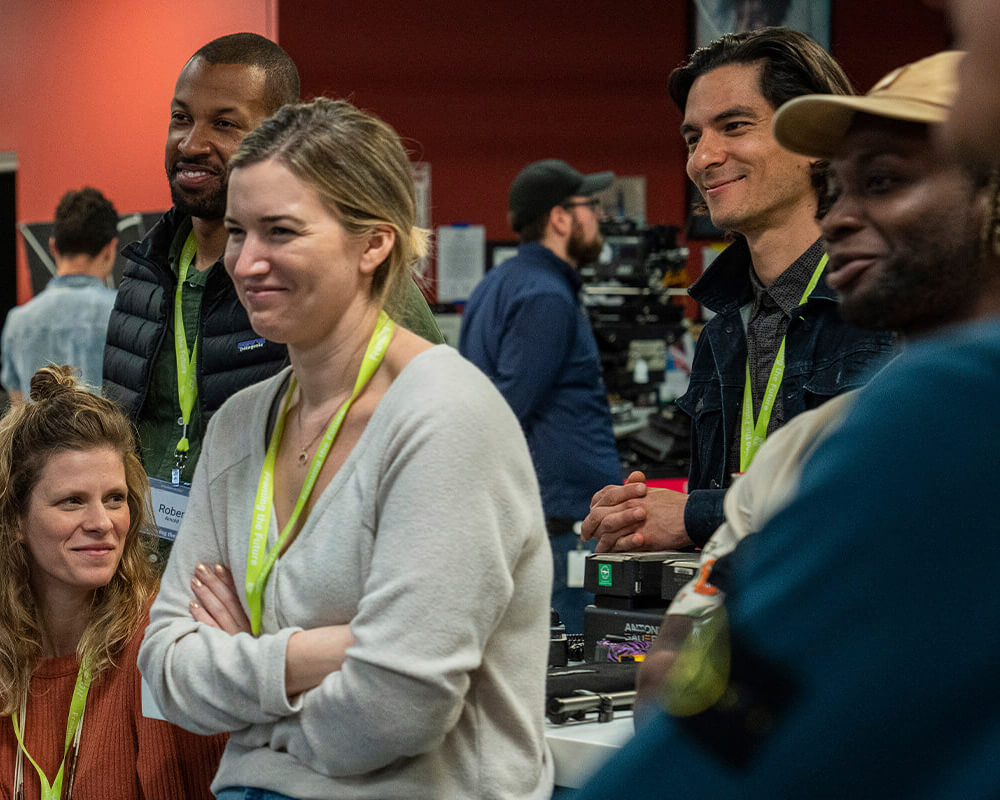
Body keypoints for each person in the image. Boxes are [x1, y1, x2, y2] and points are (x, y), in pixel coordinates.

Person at [576, 50, 1000, 797]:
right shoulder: (742, 351)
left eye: (887, 183)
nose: (843, 217)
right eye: (690, 136)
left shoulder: (926, 392)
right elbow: (708, 671)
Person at [138, 98, 553, 800]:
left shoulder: (444, 417)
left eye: (282, 231)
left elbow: (396, 706)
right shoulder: (242, 424)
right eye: (237, 232)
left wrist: (255, 693)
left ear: (373, 244)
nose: (247, 261)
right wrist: (317, 655)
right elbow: (165, 668)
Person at [102, 34, 442, 549]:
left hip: (276, 587)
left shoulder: (330, 283)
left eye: (225, 123)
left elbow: (430, 437)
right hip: (147, 591)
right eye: (180, 118)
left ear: (282, 137)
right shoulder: (143, 276)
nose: (191, 143)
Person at [581, 28, 895, 554]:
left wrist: (693, 515)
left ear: (813, 138)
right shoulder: (725, 326)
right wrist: (639, 518)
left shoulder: (888, 304)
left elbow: (880, 500)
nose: (703, 159)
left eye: (734, 126)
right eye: (693, 138)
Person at [0, 365, 225, 799]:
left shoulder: (163, 644)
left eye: (115, 499)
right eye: (72, 502)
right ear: (15, 520)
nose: (102, 523)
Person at [459, 158, 622, 632]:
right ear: (560, 218)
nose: (598, 217)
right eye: (589, 206)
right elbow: (507, 409)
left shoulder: (496, 283)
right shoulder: (545, 296)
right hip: (561, 525)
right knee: (573, 667)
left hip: (545, 518)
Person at [2, 187, 118, 403]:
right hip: (112, 436)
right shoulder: (124, 314)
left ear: (53, 247)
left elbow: (19, 414)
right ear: (110, 250)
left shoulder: (17, 323)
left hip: (39, 437)